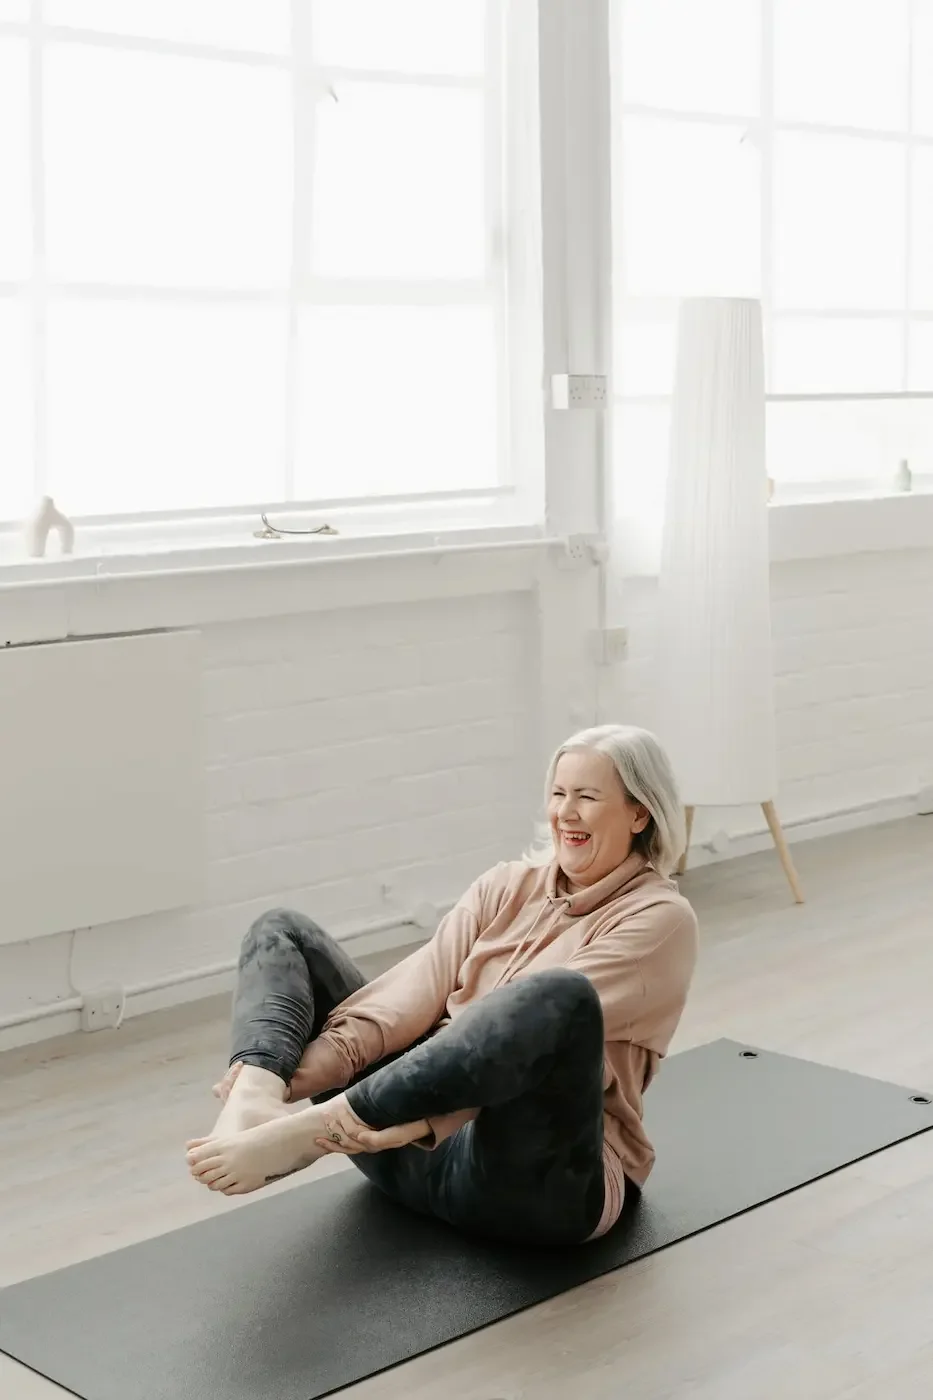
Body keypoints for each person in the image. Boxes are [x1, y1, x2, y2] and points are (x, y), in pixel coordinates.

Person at [186, 723, 699, 1247]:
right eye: (559, 794)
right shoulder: (505, 884)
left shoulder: (660, 919)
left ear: (640, 813)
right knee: (281, 931)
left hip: (530, 1185)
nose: (566, 812)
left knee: (555, 997)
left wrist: (371, 1122)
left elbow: (519, 1042)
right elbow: (412, 996)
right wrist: (293, 1079)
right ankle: (255, 1097)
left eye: (587, 797)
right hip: (394, 1146)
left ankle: (317, 1133)